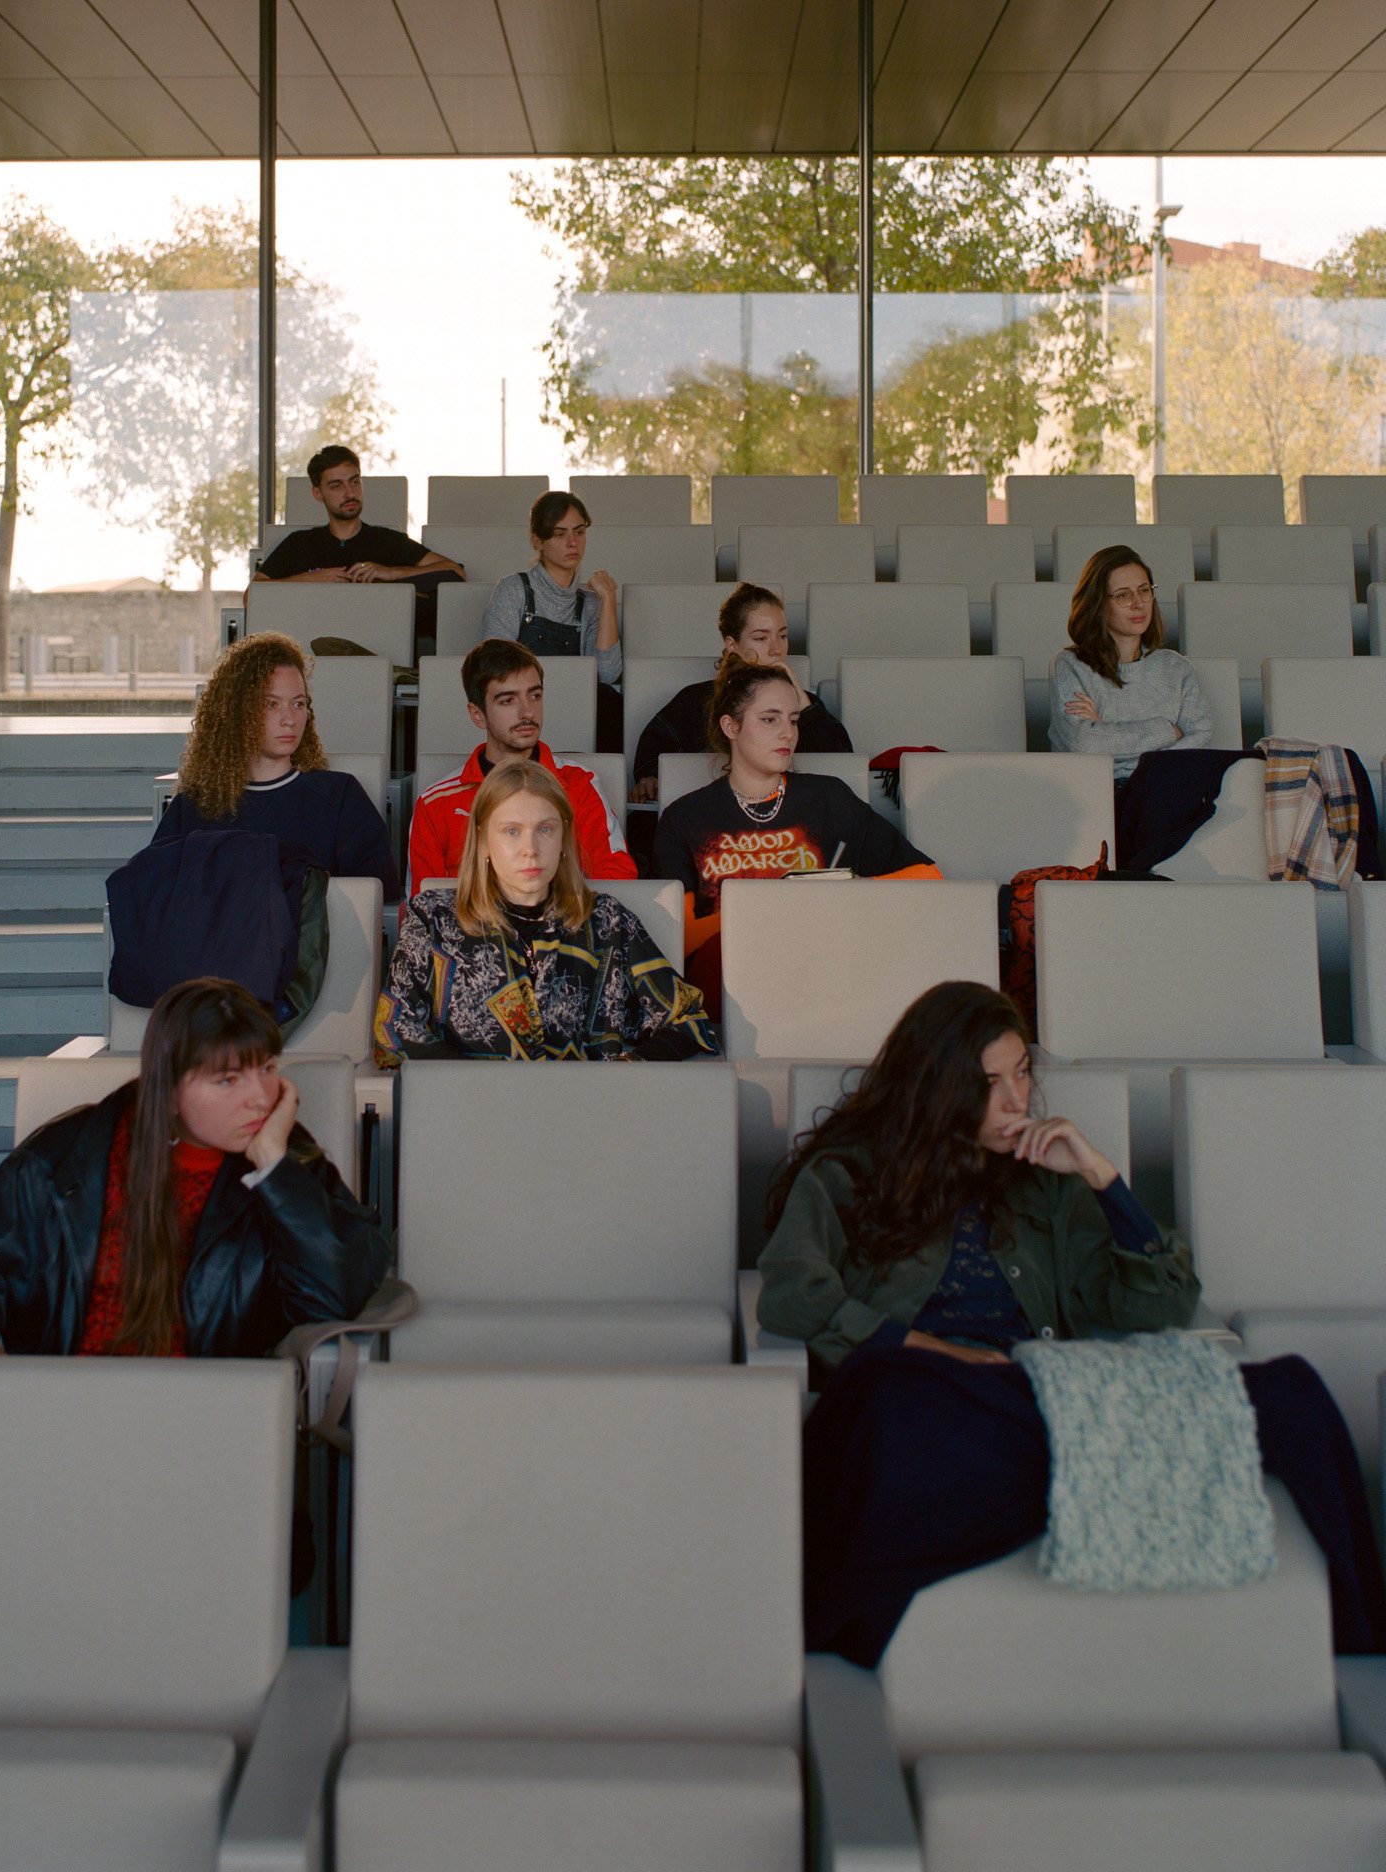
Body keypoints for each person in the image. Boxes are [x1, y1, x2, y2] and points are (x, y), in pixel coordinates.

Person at [757, 980, 1386, 1665]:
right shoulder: (847, 1174)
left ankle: (1363, 1657)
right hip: (930, 1396)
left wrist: (1101, 1178)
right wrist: (933, 1350)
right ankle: (1084, 1482)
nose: (1016, 1100)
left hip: (1049, 1397)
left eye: (1022, 1072)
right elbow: (794, 1292)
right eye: (987, 1082)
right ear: (932, 1086)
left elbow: (1159, 1305)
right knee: (888, 1407)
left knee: (1295, 1393)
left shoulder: (1045, 1180)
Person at [0, 978, 391, 1357]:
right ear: (170, 1094)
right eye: (228, 1081)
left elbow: (337, 1294)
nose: (260, 1097)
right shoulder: (72, 1160)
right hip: (70, 1420)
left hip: (212, 1427)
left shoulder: (286, 1160)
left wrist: (275, 1171)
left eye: (265, 1069)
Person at [378, 759, 717, 1064]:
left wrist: (627, 1073)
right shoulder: (433, 919)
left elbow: (687, 1020)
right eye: (512, 831)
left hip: (584, 1115)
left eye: (545, 829)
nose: (530, 849)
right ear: (482, 841)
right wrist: (476, 1087)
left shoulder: (608, 920)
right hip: (472, 1116)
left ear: (564, 837)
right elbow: (393, 1026)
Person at [653, 655, 937, 1000]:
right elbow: (678, 939)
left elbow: (928, 877)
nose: (788, 732)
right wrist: (764, 908)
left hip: (830, 972)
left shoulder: (828, 798)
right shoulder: (685, 817)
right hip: (735, 983)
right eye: (769, 719)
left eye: (793, 719)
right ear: (731, 727)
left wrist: (856, 889)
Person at [153, 630, 399, 900]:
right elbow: (156, 902)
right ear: (238, 711)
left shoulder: (341, 797)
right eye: (271, 704)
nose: (290, 719)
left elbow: (377, 902)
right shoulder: (192, 808)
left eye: (298, 704)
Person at [408, 637, 635, 895]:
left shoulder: (579, 783)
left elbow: (618, 878)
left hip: (561, 931)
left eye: (535, 695)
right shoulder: (434, 803)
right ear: (477, 715)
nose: (527, 712)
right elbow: (424, 903)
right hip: (473, 933)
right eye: (508, 701)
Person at [630, 583, 850, 803]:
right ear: (732, 644)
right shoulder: (695, 700)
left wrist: (799, 696)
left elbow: (842, 763)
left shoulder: (805, 706)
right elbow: (651, 761)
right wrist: (650, 779)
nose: (777, 649)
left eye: (782, 636)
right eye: (761, 638)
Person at [1048, 544, 1213, 779]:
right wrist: (1167, 731)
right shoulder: (1070, 666)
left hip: (1168, 792)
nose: (1138, 603)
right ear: (1098, 605)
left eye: (1144, 590)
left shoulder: (1176, 667)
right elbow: (1085, 742)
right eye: (1123, 595)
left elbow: (1201, 739)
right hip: (1100, 797)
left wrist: (1106, 732)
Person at [480, 490, 622, 746]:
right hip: (520, 708)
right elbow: (494, 663)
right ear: (537, 541)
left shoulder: (591, 601)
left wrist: (608, 599)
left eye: (579, 532)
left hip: (573, 708)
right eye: (560, 534)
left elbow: (608, 674)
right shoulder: (513, 589)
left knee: (608, 698)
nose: (573, 543)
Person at [252, 443, 466, 596]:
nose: (349, 493)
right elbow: (251, 595)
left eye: (354, 482)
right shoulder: (299, 543)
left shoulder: (387, 541)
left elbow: (456, 571)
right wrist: (311, 579)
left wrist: (391, 573)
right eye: (336, 486)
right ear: (317, 494)